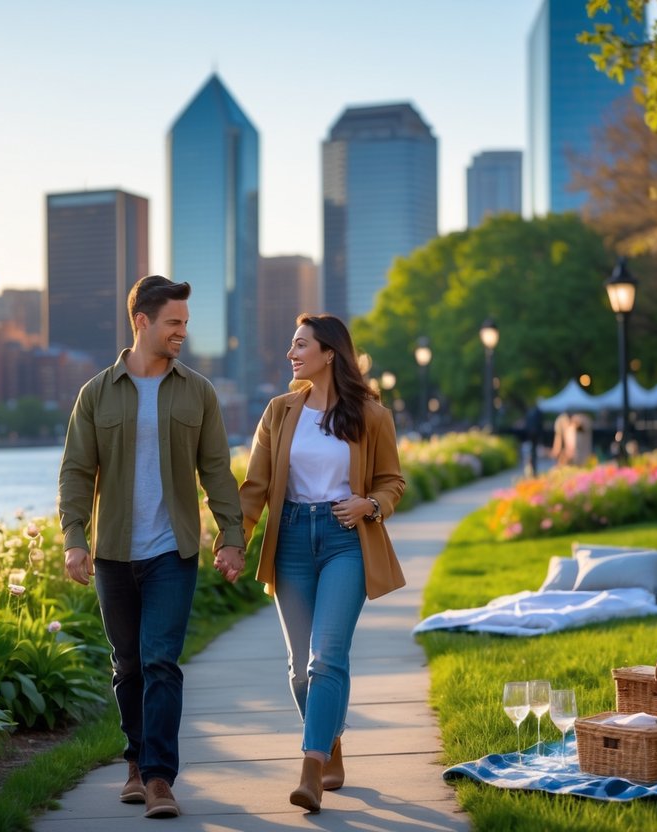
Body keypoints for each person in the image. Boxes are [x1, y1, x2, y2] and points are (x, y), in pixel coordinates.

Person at [58, 275, 246, 820]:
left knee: (161, 661)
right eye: (175, 323)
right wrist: (75, 538)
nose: (183, 332)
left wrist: (231, 537)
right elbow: (75, 471)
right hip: (114, 553)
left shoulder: (198, 392)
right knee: (128, 666)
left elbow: (216, 471)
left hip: (172, 552)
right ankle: (136, 765)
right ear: (142, 321)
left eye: (185, 323)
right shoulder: (95, 393)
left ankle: (161, 778)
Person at [218, 313, 406, 814]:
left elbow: (393, 482)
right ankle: (333, 741)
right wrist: (233, 541)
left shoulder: (370, 415)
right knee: (301, 672)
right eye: (291, 344)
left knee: (327, 657)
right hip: (293, 541)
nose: (291, 353)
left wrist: (370, 505)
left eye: (300, 345)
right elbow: (255, 486)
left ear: (329, 353)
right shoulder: (279, 412)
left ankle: (311, 771)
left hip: (347, 541)